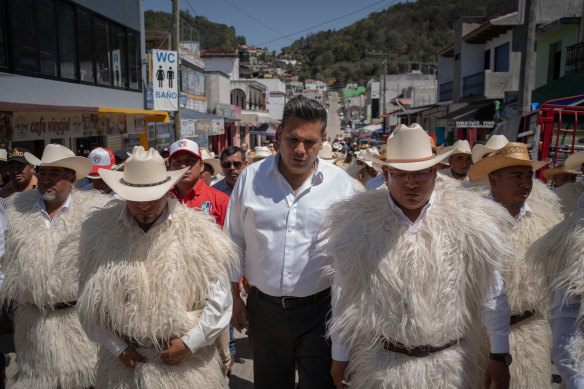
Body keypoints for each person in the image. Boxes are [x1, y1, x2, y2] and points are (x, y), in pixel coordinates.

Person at [327, 123, 514, 389]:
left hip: (452, 368)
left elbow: (492, 292)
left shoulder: (470, 221)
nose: (412, 183)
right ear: (385, 173)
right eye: (401, 174)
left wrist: (498, 354)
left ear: (436, 172)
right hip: (383, 368)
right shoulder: (358, 225)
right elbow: (344, 293)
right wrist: (340, 355)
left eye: (421, 173)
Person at [75, 146, 237, 388]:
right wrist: (118, 348)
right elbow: (88, 303)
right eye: (136, 197)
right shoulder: (100, 235)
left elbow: (220, 300)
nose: (144, 205)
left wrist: (189, 344)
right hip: (124, 369)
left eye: (152, 196)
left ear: (166, 190)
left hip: (185, 368)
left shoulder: (198, 234)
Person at [226, 95, 356, 389]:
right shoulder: (250, 179)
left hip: (320, 313)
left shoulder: (342, 185)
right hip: (264, 311)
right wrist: (234, 297)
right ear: (279, 134)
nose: (299, 150)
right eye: (292, 139)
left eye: (310, 142)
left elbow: (351, 257)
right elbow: (233, 241)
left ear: (323, 140)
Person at [0, 144, 108, 388]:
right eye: (43, 172)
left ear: (72, 178)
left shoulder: (94, 212)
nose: (47, 179)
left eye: (55, 174)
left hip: (79, 327)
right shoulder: (15, 208)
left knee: (86, 380)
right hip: (33, 329)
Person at [470, 142, 560, 388]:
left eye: (529, 176)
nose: (526, 183)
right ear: (494, 180)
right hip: (478, 340)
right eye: (516, 176)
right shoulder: (469, 220)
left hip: (531, 337)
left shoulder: (545, 223)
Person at [168, 139, 230, 226]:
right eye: (177, 162)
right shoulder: (162, 201)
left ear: (201, 166)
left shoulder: (221, 201)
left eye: (190, 161)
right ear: (170, 168)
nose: (183, 166)